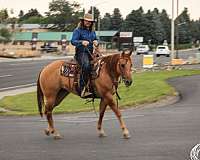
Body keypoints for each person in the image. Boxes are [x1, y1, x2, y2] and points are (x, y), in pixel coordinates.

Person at [71, 13, 98, 97]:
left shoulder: (92, 31)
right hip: (81, 53)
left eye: (90, 21)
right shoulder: (77, 30)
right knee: (86, 65)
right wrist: (81, 42)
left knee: (101, 64)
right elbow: (73, 41)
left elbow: (96, 39)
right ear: (83, 21)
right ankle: (83, 88)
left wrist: (97, 41)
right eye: (86, 21)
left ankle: (96, 86)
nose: (88, 22)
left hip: (90, 52)